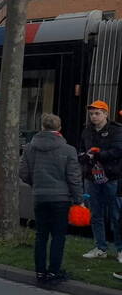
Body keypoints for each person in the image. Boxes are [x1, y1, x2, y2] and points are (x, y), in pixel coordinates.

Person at [20, 113, 83, 284]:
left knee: (41, 235)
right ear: (59, 128)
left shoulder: (29, 148)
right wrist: (79, 200)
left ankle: (40, 273)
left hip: (40, 197)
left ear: (42, 127)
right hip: (61, 198)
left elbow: (23, 173)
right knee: (58, 236)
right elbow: (74, 178)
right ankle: (54, 272)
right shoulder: (69, 150)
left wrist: (37, 184)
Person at [78, 100, 122, 261]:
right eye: (91, 114)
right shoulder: (87, 131)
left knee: (116, 215)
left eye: (97, 113)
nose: (94, 116)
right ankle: (100, 247)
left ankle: (120, 249)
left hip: (111, 177)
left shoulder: (116, 130)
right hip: (91, 176)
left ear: (105, 114)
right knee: (96, 213)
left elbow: (118, 151)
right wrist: (83, 157)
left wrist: (98, 155)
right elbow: (81, 149)